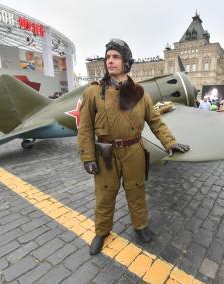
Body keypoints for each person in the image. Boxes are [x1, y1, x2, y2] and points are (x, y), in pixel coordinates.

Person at [77, 39, 190, 255]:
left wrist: (170, 142)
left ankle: (140, 226)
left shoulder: (140, 93)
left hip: (133, 151)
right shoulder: (93, 93)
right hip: (105, 153)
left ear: (126, 61)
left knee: (136, 191)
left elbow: (155, 121)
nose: (110, 61)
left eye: (115, 57)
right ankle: (101, 231)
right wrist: (88, 157)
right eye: (107, 57)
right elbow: (85, 128)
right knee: (104, 194)